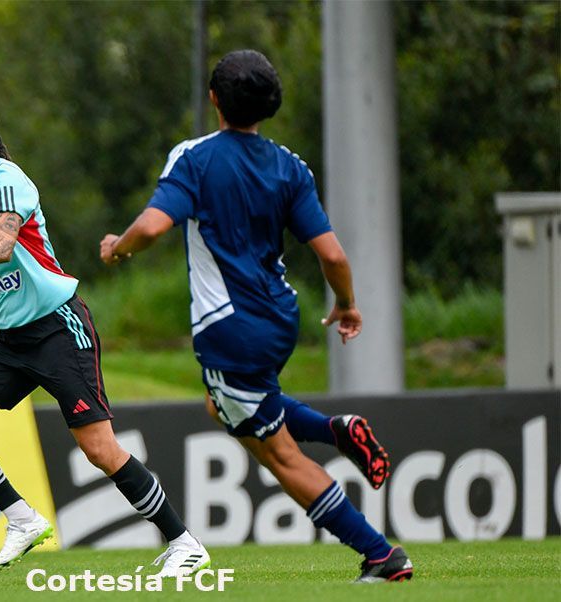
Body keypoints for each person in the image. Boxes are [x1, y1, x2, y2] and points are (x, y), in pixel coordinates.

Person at [100, 50, 412, 583]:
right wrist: (347, 303)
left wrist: (118, 248)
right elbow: (333, 255)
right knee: (222, 403)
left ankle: (381, 555)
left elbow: (151, 228)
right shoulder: (290, 166)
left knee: (280, 456)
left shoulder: (194, 158)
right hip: (278, 318)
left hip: (228, 327)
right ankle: (337, 431)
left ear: (214, 99)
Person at [0, 91, 209, 575]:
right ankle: (22, 520)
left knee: (99, 449)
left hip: (57, 328)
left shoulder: (6, 178)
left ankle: (184, 542)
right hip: (10, 339)